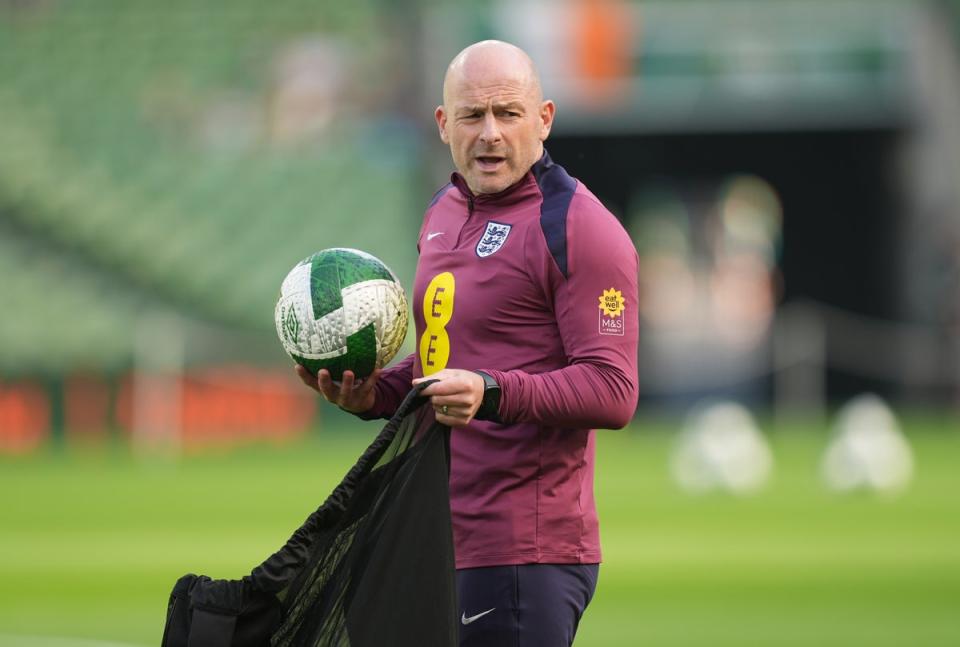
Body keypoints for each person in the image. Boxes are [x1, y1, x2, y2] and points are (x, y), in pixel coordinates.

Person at [297, 40, 639, 647]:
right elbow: (447, 360)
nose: (490, 134)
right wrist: (376, 394)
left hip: (521, 555)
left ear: (545, 119)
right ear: (441, 123)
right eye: (472, 115)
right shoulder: (444, 210)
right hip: (429, 532)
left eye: (508, 114)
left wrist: (491, 392)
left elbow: (613, 390)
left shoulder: (578, 226)